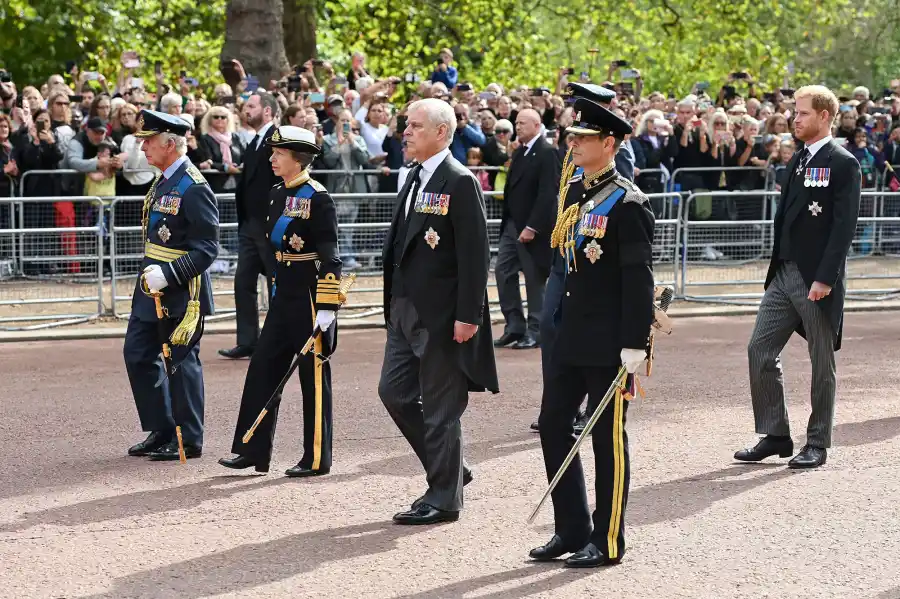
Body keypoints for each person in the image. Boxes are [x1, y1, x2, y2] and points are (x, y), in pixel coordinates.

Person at [529, 96, 655, 567]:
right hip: (569, 335)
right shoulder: (576, 193)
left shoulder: (629, 201)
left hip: (607, 342)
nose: (574, 144)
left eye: (584, 138)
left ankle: (607, 539)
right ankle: (571, 528)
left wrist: (634, 347)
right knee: (553, 427)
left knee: (607, 441)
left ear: (610, 143)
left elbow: (637, 280)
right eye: (573, 136)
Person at [378, 98, 499, 525]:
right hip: (405, 308)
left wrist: (470, 316)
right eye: (406, 125)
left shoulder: (459, 180)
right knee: (393, 393)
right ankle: (451, 470)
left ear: (442, 133)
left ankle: (444, 498)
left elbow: (474, 254)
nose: (405, 132)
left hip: (442, 315)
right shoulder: (412, 176)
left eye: (414, 126)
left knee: (441, 407)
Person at [735, 85, 861, 469]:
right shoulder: (799, 160)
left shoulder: (843, 163)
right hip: (784, 273)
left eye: (803, 113)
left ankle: (818, 441)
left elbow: (843, 228)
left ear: (824, 116)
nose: (795, 118)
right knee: (759, 349)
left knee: (821, 360)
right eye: (795, 112)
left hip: (816, 280)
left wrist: (825, 278)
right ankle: (775, 434)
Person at [218, 127, 342, 476]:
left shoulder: (319, 198)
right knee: (262, 369)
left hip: (309, 298)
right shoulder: (275, 194)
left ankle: (316, 457)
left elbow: (331, 256)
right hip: (282, 294)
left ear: (297, 158)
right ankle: (251, 448)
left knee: (312, 377)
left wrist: (329, 306)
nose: (271, 159)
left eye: (278, 154)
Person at [530, 82, 636, 433]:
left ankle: (595, 404)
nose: (576, 113)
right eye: (576, 107)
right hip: (566, 255)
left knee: (594, 336)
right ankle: (559, 402)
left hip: (593, 255)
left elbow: (612, 203)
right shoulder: (573, 150)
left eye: (585, 107)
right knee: (551, 325)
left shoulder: (613, 150)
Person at [124, 109, 219, 460]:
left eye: (149, 141)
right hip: (151, 287)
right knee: (137, 354)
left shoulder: (193, 186)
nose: (144, 147)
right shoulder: (163, 179)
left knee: (180, 362)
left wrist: (170, 274)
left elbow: (208, 248)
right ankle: (162, 427)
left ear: (170, 144)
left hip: (180, 290)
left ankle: (188, 438)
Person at [493, 108, 561, 350]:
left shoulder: (547, 152)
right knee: (503, 272)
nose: (517, 126)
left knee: (534, 279)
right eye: (516, 122)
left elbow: (547, 195)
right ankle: (514, 326)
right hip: (512, 225)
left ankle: (536, 330)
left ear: (536, 124)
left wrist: (533, 226)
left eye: (522, 123)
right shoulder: (520, 151)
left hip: (533, 229)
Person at [220, 91, 280, 359]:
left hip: (269, 225)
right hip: (249, 226)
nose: (246, 111)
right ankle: (248, 340)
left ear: (267, 111)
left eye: (252, 106)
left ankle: (278, 340)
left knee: (278, 284)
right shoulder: (253, 141)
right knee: (243, 282)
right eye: (245, 107)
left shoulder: (278, 138)